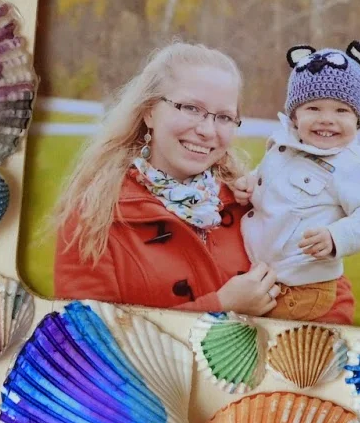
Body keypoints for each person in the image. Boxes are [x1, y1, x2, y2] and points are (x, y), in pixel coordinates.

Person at [52, 43, 280, 315]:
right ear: (149, 111)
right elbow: (88, 341)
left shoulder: (252, 202)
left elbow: (328, 295)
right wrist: (220, 309)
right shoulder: (96, 215)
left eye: (224, 117)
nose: (207, 130)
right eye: (191, 108)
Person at [234, 42, 360, 324]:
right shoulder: (285, 144)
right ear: (295, 115)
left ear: (358, 118)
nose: (327, 120)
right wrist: (249, 184)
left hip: (301, 287)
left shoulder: (350, 165)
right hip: (260, 270)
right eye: (314, 108)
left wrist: (336, 237)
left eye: (342, 111)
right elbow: (269, 178)